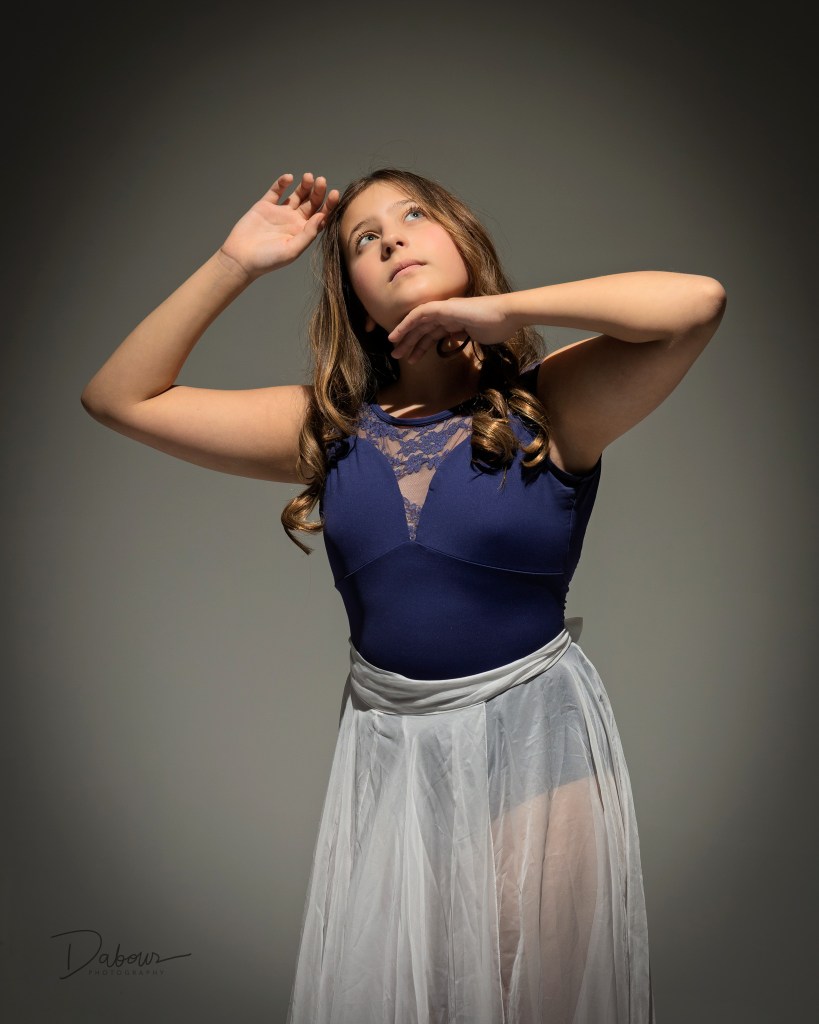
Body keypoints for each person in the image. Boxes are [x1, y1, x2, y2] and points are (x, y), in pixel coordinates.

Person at [81, 168, 727, 1023]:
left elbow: (697, 302)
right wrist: (235, 262)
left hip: (535, 761)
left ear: (461, 241)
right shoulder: (326, 432)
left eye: (413, 216)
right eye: (361, 238)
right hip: (392, 776)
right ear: (352, 295)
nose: (390, 238)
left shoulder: (553, 404)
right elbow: (118, 396)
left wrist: (497, 313)